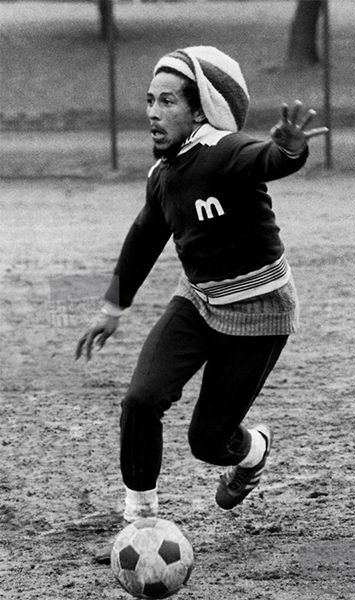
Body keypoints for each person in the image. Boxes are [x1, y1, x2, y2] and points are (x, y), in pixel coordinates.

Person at [76, 46, 327, 560]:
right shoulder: (163, 173)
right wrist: (111, 308)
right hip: (198, 300)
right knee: (140, 400)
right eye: (149, 100)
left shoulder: (224, 151)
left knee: (208, 443)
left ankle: (253, 450)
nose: (152, 111)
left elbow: (269, 158)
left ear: (198, 110)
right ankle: (139, 524)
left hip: (259, 310)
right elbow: (146, 236)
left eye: (167, 100)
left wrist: (292, 148)